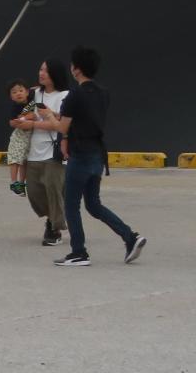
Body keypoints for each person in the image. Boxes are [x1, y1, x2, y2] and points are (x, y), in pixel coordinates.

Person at [49, 46, 146, 266]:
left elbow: (63, 127)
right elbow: (86, 118)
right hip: (97, 155)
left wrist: (49, 117)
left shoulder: (75, 94)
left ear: (76, 69)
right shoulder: (103, 93)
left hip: (80, 155)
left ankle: (79, 252)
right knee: (93, 204)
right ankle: (130, 237)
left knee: (71, 206)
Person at [18, 60, 70, 248]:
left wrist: (33, 123)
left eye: (46, 71)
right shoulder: (34, 93)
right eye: (40, 69)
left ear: (55, 74)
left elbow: (63, 122)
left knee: (52, 188)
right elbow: (18, 100)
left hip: (54, 150)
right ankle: (53, 217)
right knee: (33, 192)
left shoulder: (65, 95)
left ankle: (54, 228)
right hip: (33, 150)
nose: (41, 73)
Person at [4, 80, 36, 195]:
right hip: (19, 136)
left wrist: (24, 118)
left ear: (26, 92)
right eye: (14, 92)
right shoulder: (15, 107)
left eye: (21, 90)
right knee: (15, 159)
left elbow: (35, 88)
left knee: (24, 161)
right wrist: (22, 120)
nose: (18, 93)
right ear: (11, 97)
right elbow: (12, 123)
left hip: (31, 136)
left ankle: (22, 184)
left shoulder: (32, 96)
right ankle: (14, 182)